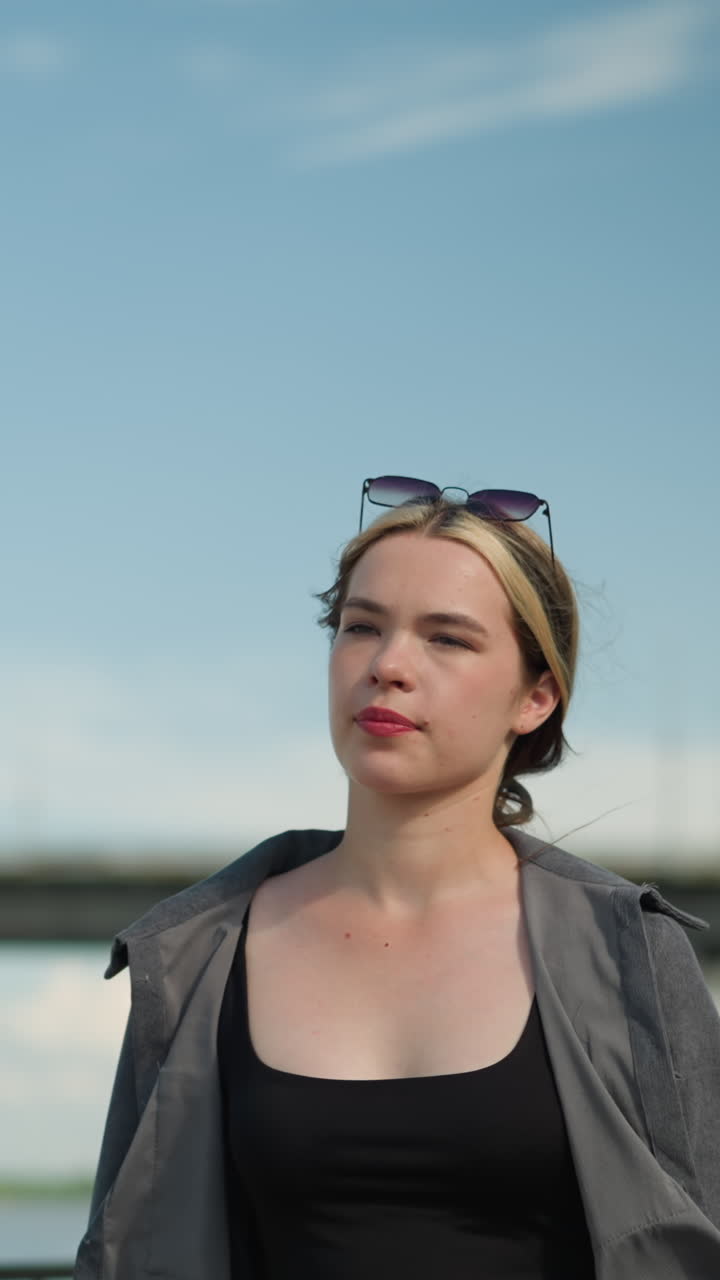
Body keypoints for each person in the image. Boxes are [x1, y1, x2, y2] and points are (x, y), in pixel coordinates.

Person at [74, 477, 720, 1280]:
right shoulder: (194, 956)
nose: (387, 665)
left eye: (447, 638)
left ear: (537, 696)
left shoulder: (631, 955)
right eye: (360, 627)